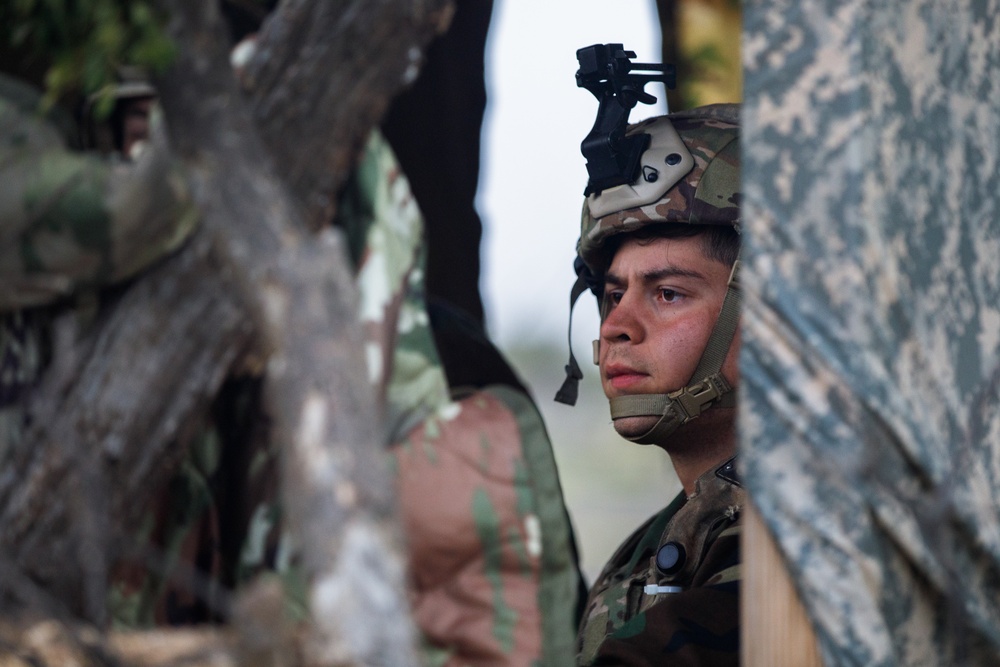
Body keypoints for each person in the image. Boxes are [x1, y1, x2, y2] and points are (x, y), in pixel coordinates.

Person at [558, 95, 743, 664]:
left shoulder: (828, 529)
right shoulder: (649, 549)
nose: (617, 327)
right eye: (614, 295)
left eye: (668, 293)